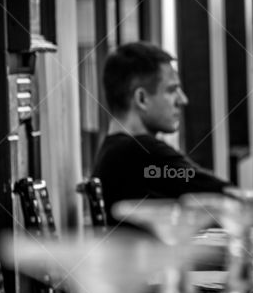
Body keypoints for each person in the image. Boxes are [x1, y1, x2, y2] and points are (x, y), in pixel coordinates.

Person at [92, 42, 228, 225]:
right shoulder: (139, 154)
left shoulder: (114, 151)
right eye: (172, 90)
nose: (183, 100)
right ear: (142, 99)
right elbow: (225, 195)